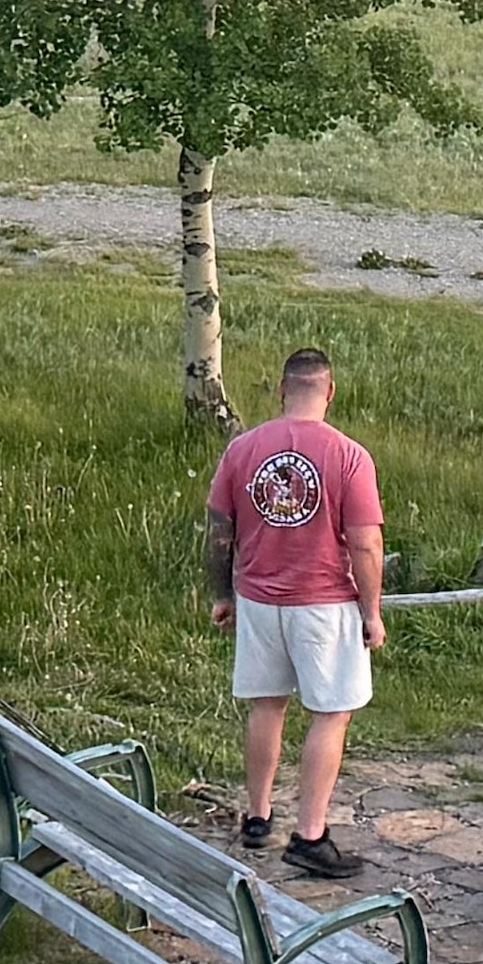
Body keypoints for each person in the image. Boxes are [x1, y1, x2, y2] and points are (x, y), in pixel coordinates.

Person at [205, 346, 388, 882]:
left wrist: (223, 594)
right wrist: (371, 610)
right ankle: (310, 834)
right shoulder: (349, 455)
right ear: (330, 392)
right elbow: (366, 543)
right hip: (325, 603)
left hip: (260, 599)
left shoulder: (243, 449)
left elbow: (220, 531)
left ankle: (258, 816)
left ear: (282, 389)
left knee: (267, 706)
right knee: (330, 713)